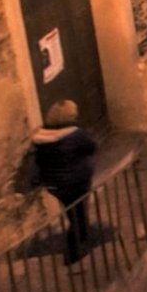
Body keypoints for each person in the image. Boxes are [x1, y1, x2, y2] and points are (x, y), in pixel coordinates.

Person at [31, 100, 97, 264]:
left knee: (72, 212)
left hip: (55, 184)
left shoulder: (41, 136)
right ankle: (74, 252)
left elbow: (40, 159)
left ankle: (80, 242)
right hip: (76, 182)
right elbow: (92, 147)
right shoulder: (76, 135)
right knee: (79, 215)